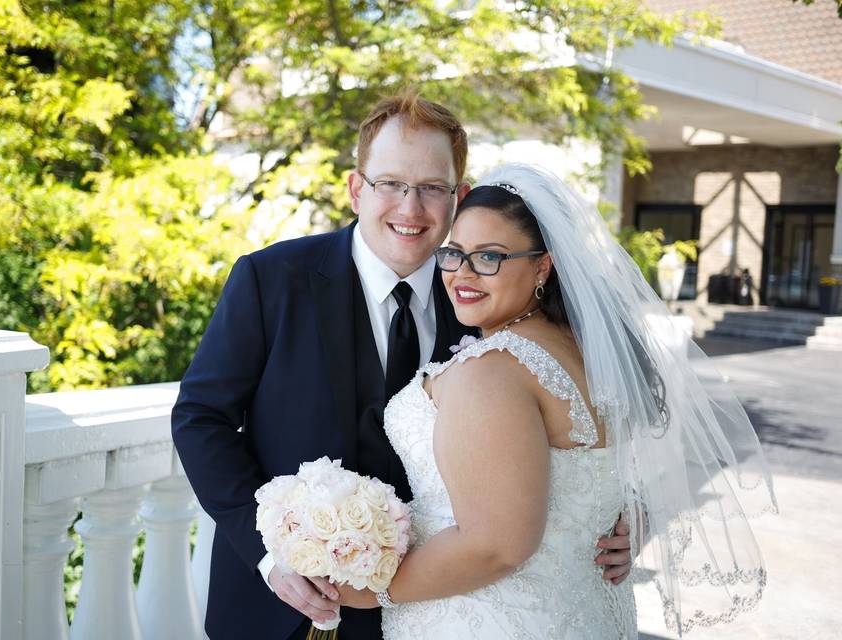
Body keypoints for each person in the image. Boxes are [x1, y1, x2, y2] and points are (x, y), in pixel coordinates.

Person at [171, 97, 633, 640]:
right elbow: (201, 418)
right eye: (390, 183)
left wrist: (620, 518)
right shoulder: (271, 279)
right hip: (279, 607)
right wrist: (270, 555)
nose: (410, 209)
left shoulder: (485, 301)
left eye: (433, 188)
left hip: (436, 604)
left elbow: (570, 426)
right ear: (356, 189)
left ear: (458, 197)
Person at [334, 164, 778, 638]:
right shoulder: (591, 353)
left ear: (543, 265)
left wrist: (371, 589)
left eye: (490, 257)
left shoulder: (491, 371)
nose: (461, 274)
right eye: (454, 254)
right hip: (590, 614)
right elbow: (602, 482)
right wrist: (636, 517)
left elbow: (496, 547)